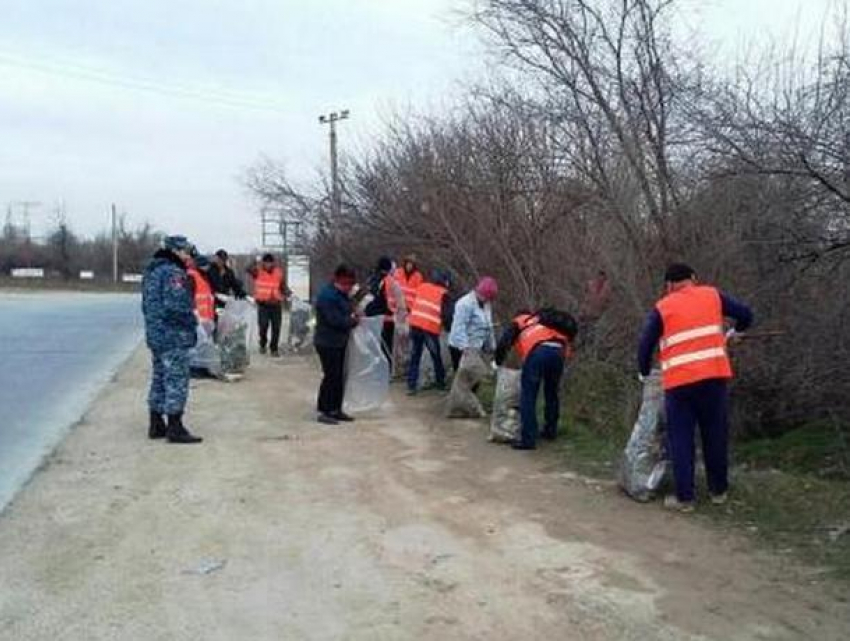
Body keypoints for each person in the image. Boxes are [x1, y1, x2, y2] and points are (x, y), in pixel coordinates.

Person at [638, 263, 753, 512]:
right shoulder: (712, 295)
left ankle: (685, 498)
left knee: (680, 439)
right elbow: (746, 314)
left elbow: (645, 343)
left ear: (669, 285)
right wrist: (734, 332)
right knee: (715, 435)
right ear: (693, 278)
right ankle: (718, 491)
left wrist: (643, 372)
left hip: (679, 384)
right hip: (713, 378)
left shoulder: (663, 307)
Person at [141, 235, 203, 444]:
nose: (187, 256)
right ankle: (175, 427)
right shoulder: (173, 273)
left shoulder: (152, 272)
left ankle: (156, 423)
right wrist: (192, 324)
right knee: (176, 379)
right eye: (185, 252)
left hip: (156, 334)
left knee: (159, 376)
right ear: (176, 251)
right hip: (173, 334)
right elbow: (177, 306)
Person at [494, 307, 578, 450]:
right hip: (559, 352)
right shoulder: (543, 321)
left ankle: (528, 439)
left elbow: (504, 342)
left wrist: (497, 362)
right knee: (551, 393)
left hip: (538, 353)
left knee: (528, 396)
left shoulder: (520, 322)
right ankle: (550, 431)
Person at [314, 264, 359, 425]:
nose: (350, 287)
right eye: (348, 284)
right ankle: (324, 410)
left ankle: (336, 408)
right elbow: (334, 320)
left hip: (339, 341)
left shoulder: (341, 295)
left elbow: (345, 311)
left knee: (339, 376)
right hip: (327, 342)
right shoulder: (328, 296)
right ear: (339, 280)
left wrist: (353, 314)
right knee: (331, 376)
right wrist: (352, 321)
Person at [406, 270, 453, 395]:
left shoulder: (422, 287)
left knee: (415, 355)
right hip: (429, 328)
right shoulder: (443, 294)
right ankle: (440, 384)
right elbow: (447, 315)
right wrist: (449, 329)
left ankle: (411, 385)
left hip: (415, 324)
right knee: (436, 356)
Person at [448, 276, 498, 371]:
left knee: (475, 379)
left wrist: (492, 346)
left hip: (476, 346)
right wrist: (465, 348)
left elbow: (488, 326)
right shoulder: (465, 304)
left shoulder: (486, 305)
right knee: (465, 380)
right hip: (460, 348)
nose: (489, 301)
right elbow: (459, 327)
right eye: (488, 298)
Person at [363, 256, 406, 363]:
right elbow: (400, 302)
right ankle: (386, 373)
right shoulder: (391, 281)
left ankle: (375, 371)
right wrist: (402, 319)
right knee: (386, 348)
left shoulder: (371, 280)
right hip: (386, 319)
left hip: (370, 320)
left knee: (374, 348)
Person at [247, 253, 288, 356]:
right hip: (263, 304)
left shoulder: (278, 272)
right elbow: (248, 269)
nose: (268, 264)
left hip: (276, 304)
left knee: (276, 327)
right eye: (266, 262)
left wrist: (288, 293)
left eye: (270, 262)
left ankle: (274, 349)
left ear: (273, 263)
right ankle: (263, 343)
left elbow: (282, 286)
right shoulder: (258, 272)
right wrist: (254, 261)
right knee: (263, 326)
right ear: (263, 263)